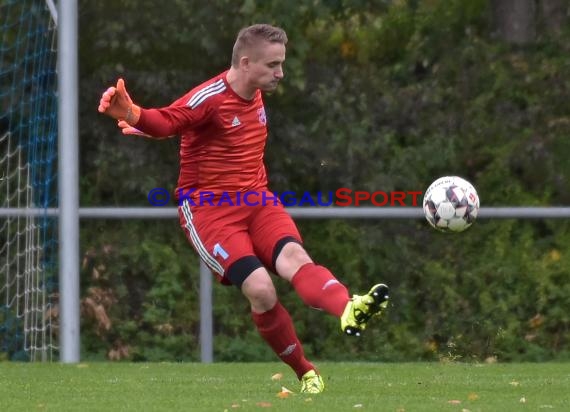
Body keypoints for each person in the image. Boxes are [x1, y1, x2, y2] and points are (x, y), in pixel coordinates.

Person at [98, 23, 389, 394]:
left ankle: (348, 305)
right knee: (262, 289)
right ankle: (305, 372)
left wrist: (159, 127)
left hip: (256, 200)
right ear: (246, 62)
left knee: (296, 259)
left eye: (281, 64)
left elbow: (193, 130)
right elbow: (172, 119)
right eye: (273, 65)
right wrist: (136, 114)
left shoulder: (254, 92)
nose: (280, 73)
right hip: (209, 212)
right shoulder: (212, 96)